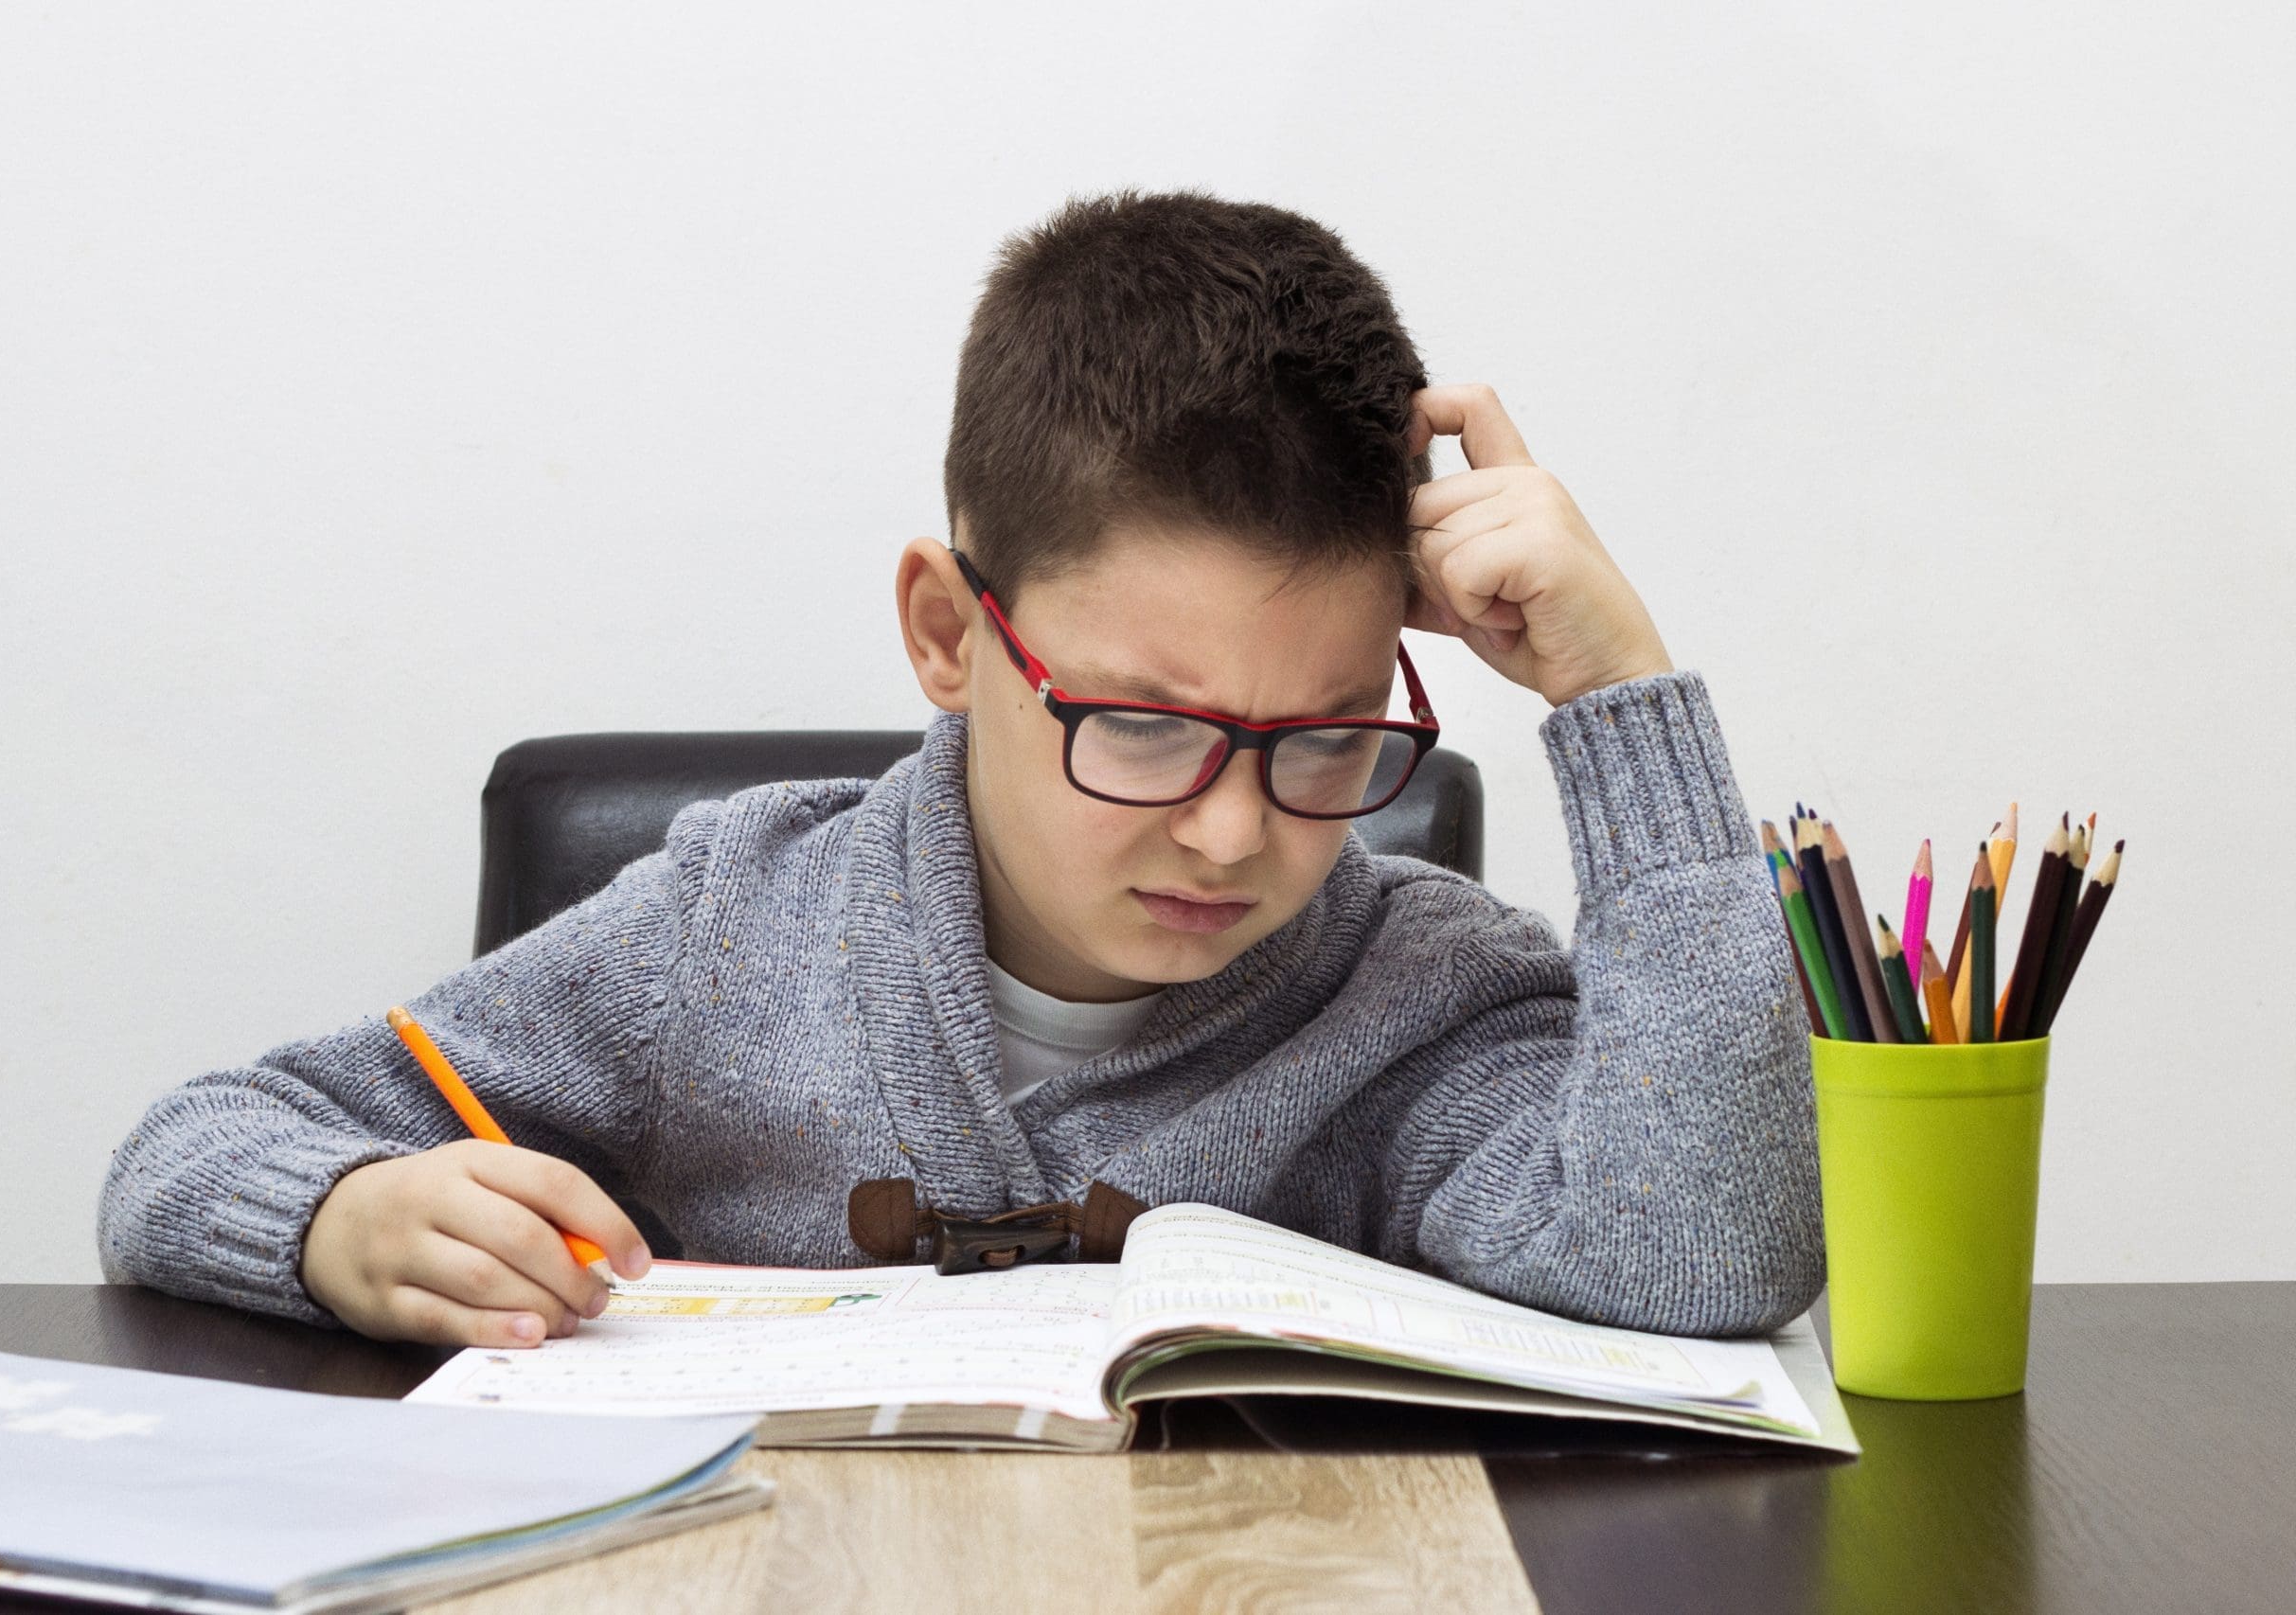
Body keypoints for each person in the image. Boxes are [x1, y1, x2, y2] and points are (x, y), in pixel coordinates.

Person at [97, 189, 1824, 1350]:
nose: (1229, 829)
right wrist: (340, 1216)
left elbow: (1705, 1259)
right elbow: (188, 1147)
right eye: (1139, 723)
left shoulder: (1420, 995)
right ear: (950, 636)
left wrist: (1621, 691)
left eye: (1322, 740)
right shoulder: (721, 931)